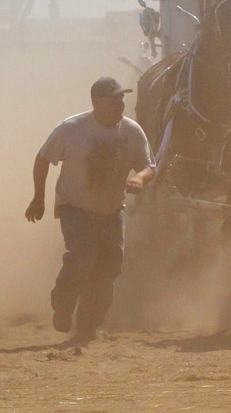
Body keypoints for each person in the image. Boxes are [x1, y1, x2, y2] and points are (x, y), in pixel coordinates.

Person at [25, 76, 155, 343]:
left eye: (122, 98)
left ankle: (87, 327)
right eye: (115, 98)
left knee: (109, 267)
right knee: (83, 253)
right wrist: (39, 198)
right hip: (75, 206)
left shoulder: (132, 131)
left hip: (112, 209)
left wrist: (139, 178)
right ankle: (62, 302)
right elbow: (43, 158)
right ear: (97, 102)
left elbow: (149, 165)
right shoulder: (72, 129)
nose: (121, 103)